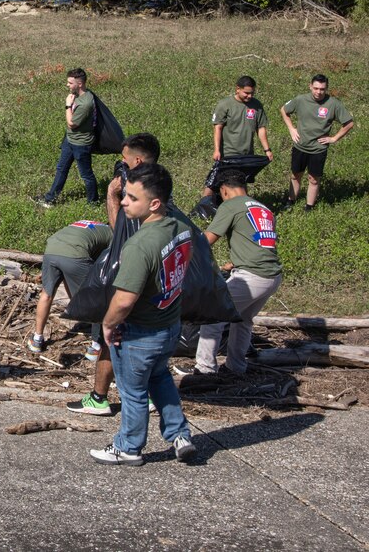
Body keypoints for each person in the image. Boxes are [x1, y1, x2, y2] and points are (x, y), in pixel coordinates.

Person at [90, 163, 196, 466]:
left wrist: (108, 325)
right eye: (125, 195)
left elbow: (123, 301)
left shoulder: (140, 245)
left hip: (140, 333)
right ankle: (179, 435)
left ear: (154, 203)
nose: (123, 202)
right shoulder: (180, 229)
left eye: (131, 198)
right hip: (169, 326)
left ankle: (129, 447)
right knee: (160, 378)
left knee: (133, 392)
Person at [69, 133, 161, 416]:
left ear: (136, 161)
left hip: (134, 276)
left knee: (115, 334)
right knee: (143, 339)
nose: (121, 164)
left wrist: (112, 195)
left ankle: (103, 399)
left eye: (123, 160)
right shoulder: (161, 187)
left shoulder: (141, 193)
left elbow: (119, 231)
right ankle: (142, 395)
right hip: (157, 280)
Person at [194, 170, 282, 376]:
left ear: (224, 190)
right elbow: (260, 244)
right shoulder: (263, 208)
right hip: (272, 276)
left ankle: (205, 369)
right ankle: (236, 367)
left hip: (252, 275)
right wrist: (234, 262)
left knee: (213, 315)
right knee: (243, 320)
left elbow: (207, 240)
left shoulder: (230, 206)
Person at [27, 220, 111, 358]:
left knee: (46, 294)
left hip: (51, 250)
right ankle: (96, 347)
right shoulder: (113, 234)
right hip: (75, 254)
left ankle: (37, 339)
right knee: (97, 298)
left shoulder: (88, 225)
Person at [280, 74, 354, 212]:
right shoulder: (300, 100)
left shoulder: (333, 104)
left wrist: (334, 138)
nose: (318, 92)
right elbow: (284, 110)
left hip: (318, 149)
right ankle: (291, 200)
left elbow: (349, 123)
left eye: (322, 89)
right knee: (296, 175)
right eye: (315, 88)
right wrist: (291, 128)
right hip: (300, 145)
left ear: (326, 89)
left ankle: (309, 207)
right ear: (310, 86)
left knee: (313, 179)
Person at [205, 75, 273, 198]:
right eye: (246, 93)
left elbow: (261, 128)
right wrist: (216, 150)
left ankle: (242, 205)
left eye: (252, 93)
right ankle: (203, 204)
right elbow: (217, 128)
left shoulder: (256, 105)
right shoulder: (225, 104)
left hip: (246, 153)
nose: (249, 96)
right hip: (228, 152)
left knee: (241, 181)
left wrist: (267, 150)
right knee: (215, 181)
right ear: (238, 89)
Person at [40, 68, 97, 206]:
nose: (67, 85)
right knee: (61, 169)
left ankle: (93, 202)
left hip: (81, 144)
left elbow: (72, 124)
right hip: (70, 140)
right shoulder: (77, 95)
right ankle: (50, 199)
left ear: (80, 84)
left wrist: (67, 106)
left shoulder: (85, 103)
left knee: (86, 175)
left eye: (70, 83)